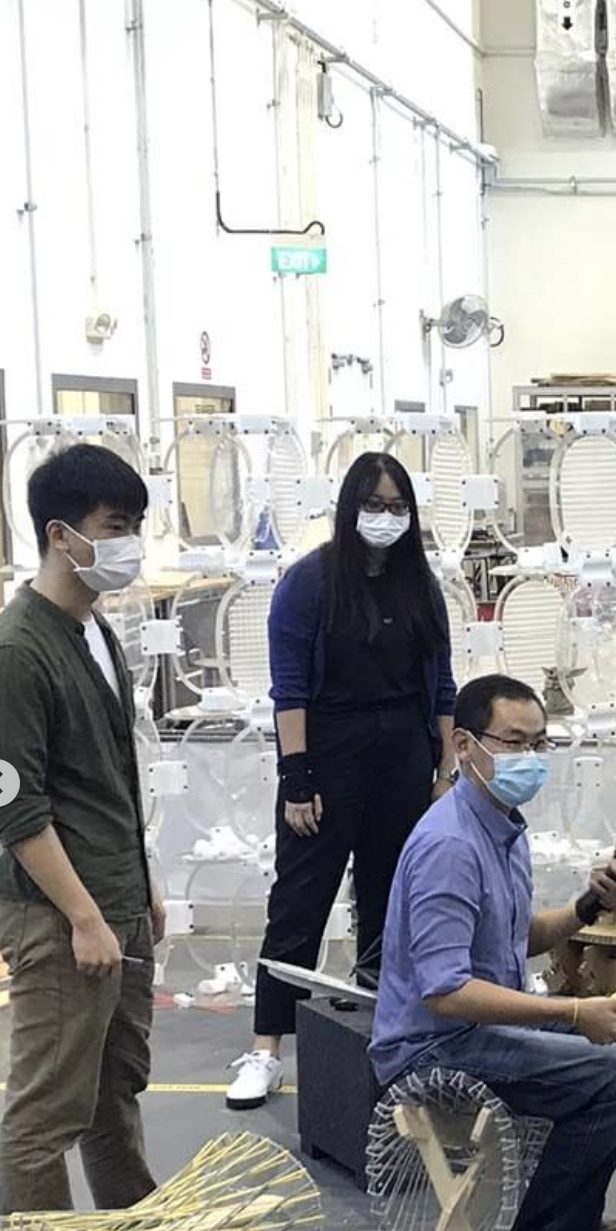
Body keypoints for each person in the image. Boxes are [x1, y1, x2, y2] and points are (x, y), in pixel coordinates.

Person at [370, 674, 616, 1231]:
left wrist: (586, 907)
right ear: (464, 745)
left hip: (478, 1026)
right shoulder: (449, 846)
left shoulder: (501, 826)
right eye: (514, 742)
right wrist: (574, 1011)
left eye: (539, 743)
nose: (529, 758)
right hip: (433, 1048)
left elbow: (512, 937)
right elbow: (446, 993)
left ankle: (573, 1216)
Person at [0, 446, 165, 1215]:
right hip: (57, 915)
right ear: (60, 535)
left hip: (116, 898)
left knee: (115, 1089)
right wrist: (83, 917)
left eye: (136, 525)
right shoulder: (12, 655)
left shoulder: (95, 632)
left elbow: (110, 778)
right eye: (115, 526)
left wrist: (143, 884)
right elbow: (14, 806)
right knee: (47, 1109)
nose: (130, 544)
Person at [233, 453, 458, 1108]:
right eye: (375, 505)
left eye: (397, 507)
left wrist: (445, 772)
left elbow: (443, 686)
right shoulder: (309, 582)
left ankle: (382, 1034)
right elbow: (290, 689)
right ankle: (266, 1048)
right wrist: (296, 777)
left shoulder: (420, 586)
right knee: (300, 903)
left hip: (404, 757)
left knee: (390, 902)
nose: (386, 518)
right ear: (350, 507)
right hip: (328, 755)